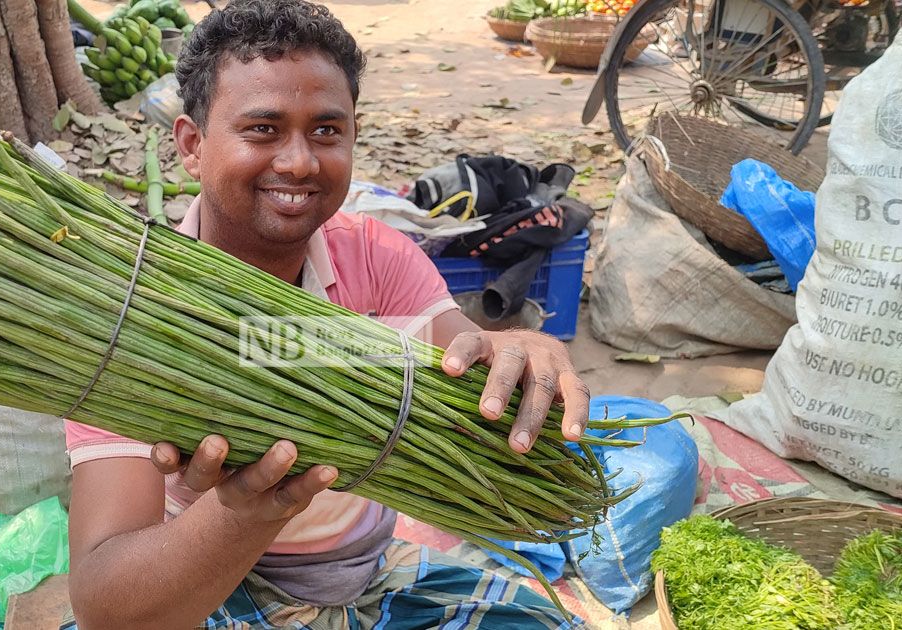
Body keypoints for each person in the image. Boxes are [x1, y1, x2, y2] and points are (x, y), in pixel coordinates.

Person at [65, 1, 590, 627]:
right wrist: (241, 513)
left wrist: (525, 357)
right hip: (201, 588)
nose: (299, 162)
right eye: (262, 129)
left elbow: (477, 376)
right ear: (192, 145)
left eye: (326, 131)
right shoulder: (128, 316)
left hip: (364, 571)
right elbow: (104, 607)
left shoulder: (376, 256)